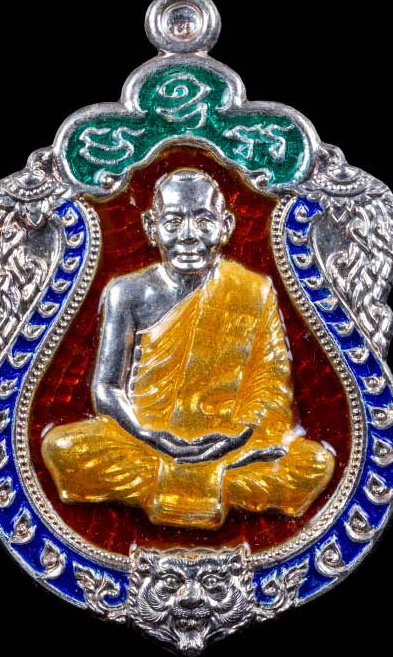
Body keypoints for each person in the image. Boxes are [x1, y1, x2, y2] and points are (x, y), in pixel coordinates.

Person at [42, 168, 335, 529]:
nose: (188, 236)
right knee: (61, 449)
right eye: (173, 222)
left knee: (314, 463)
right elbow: (106, 388)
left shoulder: (253, 290)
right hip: (144, 440)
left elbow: (271, 388)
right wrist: (146, 434)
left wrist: (239, 437)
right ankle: (213, 485)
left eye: (204, 221)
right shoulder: (127, 292)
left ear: (226, 227)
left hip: (229, 443)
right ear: (151, 227)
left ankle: (183, 482)